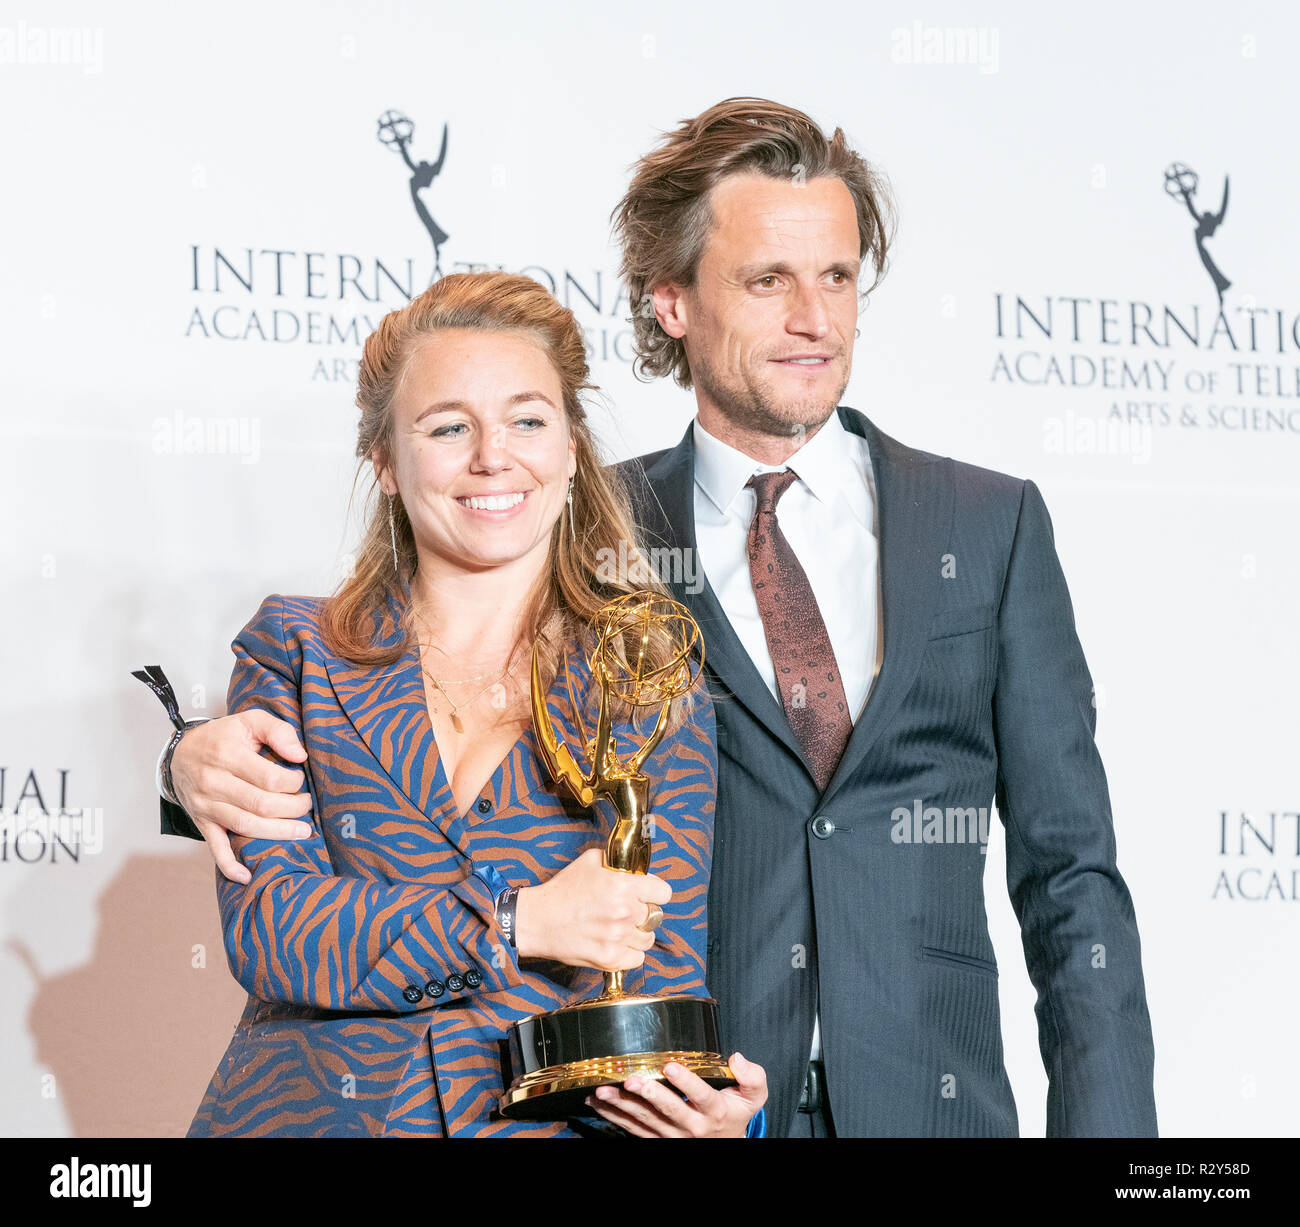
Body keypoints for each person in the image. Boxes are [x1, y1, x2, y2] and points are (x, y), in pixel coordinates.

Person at [159, 99, 1157, 1138]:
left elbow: (1071, 871)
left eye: (836, 277)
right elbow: (347, 734)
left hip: (916, 1106)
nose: (813, 318)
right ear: (671, 301)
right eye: (767, 280)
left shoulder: (984, 524)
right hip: (659, 1103)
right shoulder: (580, 529)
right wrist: (182, 765)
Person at [156, 270, 767, 1137]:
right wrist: (520, 921)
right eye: (449, 427)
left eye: (527, 419)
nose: (493, 455)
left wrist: (696, 1116)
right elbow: (274, 929)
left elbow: (655, 982)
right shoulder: (296, 651)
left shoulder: (647, 683)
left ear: (569, 447)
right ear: (387, 464)